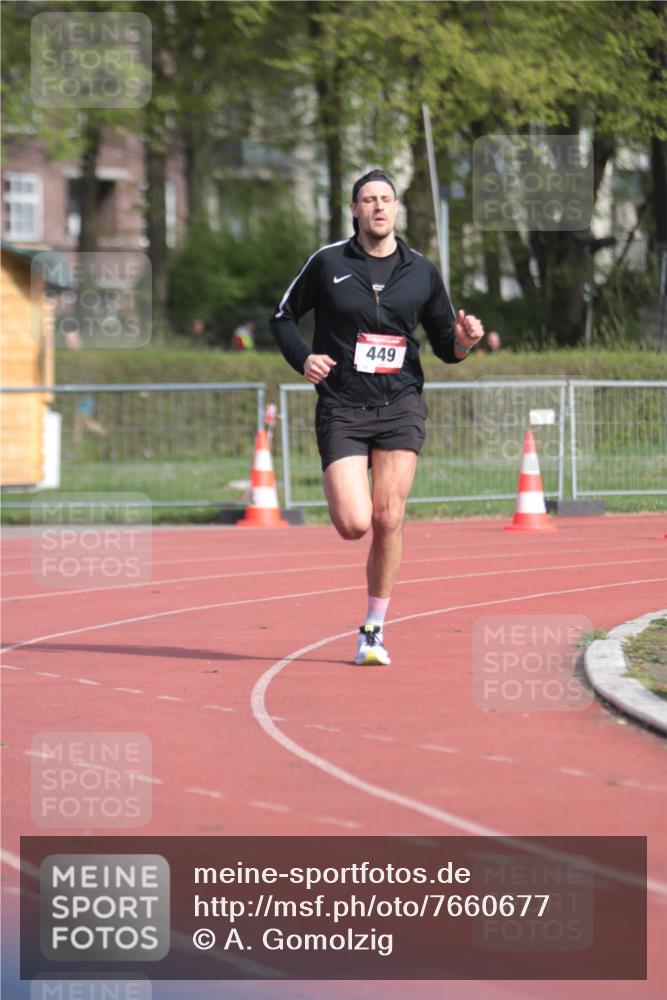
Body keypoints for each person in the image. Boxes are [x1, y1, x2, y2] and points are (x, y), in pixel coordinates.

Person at [270, 169, 484, 665]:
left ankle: (373, 627)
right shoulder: (327, 263)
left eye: (386, 199)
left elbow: (447, 348)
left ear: (396, 208)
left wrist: (466, 340)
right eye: (368, 200)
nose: (378, 208)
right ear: (354, 210)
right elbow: (281, 317)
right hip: (342, 406)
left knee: (389, 517)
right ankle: (370, 612)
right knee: (354, 523)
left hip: (400, 405)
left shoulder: (422, 271)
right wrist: (303, 357)